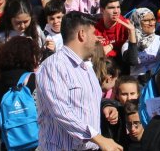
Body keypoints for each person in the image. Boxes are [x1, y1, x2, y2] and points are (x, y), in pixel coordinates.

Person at [36, 10, 123, 151]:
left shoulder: (87, 68)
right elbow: (60, 110)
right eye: (94, 33)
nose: (97, 38)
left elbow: (84, 104)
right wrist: (98, 138)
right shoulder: (54, 66)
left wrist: (105, 107)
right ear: (82, 34)